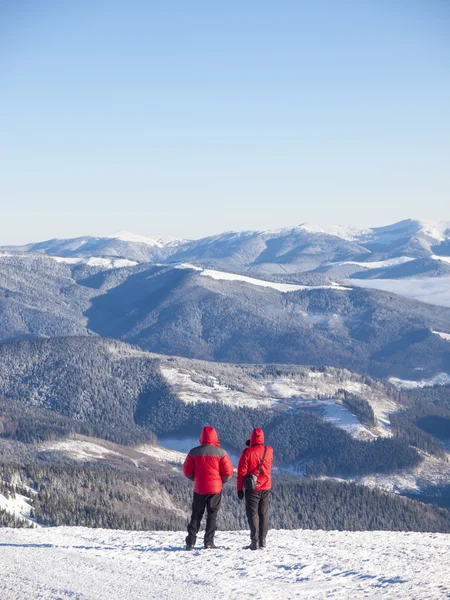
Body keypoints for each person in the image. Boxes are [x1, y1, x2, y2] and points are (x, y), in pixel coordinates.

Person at [182, 425, 234, 550]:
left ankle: (191, 541)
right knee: (212, 515)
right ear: (215, 437)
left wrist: (196, 479)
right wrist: (220, 482)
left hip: (199, 488)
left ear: (201, 437)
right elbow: (228, 472)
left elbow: (187, 470)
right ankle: (209, 542)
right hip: (215, 489)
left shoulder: (194, 452)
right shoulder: (221, 453)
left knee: (196, 514)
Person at [237, 427, 273, 550]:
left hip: (252, 488)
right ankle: (263, 541)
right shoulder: (268, 450)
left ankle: (254, 542)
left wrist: (239, 488)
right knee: (263, 514)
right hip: (266, 486)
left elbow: (241, 472)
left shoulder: (247, 452)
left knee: (252, 514)